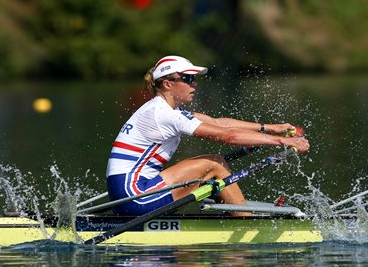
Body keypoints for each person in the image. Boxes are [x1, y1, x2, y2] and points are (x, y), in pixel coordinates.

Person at [106, 55, 309, 216]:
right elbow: (227, 135)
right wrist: (282, 141)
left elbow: (219, 123)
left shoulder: (166, 110)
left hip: (129, 194)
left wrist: (271, 128)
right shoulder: (164, 114)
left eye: (194, 79)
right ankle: (245, 221)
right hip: (134, 197)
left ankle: (236, 215)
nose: (194, 84)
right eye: (187, 79)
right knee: (214, 164)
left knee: (212, 165)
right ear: (167, 84)